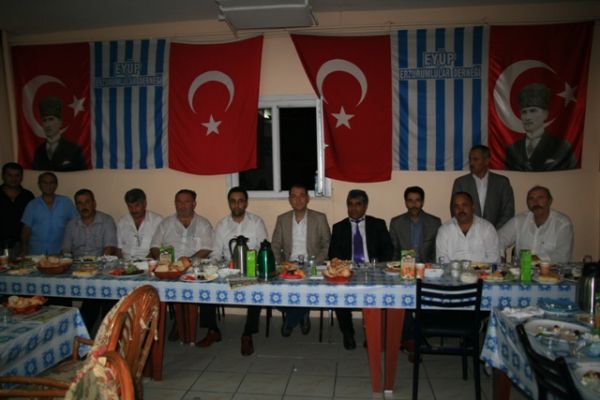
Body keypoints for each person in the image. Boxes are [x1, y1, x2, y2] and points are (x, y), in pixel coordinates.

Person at [198, 187, 268, 356]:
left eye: (240, 201)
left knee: (255, 288)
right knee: (206, 283)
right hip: (227, 270)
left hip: (250, 268)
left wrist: (252, 261)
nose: (237, 205)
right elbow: (216, 252)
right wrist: (214, 266)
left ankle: (248, 334)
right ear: (229, 203)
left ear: (246, 203)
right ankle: (212, 330)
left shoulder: (256, 222)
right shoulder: (222, 224)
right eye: (233, 201)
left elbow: (264, 246)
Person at [329, 189, 393, 350]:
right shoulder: (339, 227)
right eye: (350, 204)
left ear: (365, 206)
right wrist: (344, 266)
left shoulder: (378, 224)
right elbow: (333, 254)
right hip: (348, 272)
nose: (354, 208)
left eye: (358, 204)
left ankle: (371, 332)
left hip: (372, 271)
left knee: (376, 292)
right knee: (338, 292)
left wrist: (376, 265)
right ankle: (348, 333)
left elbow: (388, 250)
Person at [150, 189, 213, 343]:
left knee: (199, 282)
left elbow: (206, 249)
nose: (182, 205)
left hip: (194, 267)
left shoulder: (203, 223)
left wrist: (186, 263)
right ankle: (177, 322)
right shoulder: (166, 223)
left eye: (186, 202)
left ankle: (183, 324)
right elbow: (154, 246)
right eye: (179, 202)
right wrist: (166, 262)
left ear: (194, 204)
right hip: (169, 267)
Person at [272, 184, 331, 337]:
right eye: (294, 196)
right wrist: (281, 264)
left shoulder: (319, 218)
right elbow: (275, 245)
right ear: (289, 199)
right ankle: (302, 313)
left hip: (312, 265)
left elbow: (327, 244)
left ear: (308, 198)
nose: (298, 199)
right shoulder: (282, 219)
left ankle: (290, 320)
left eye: (301, 195)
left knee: (311, 290)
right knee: (272, 291)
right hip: (289, 265)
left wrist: (315, 262)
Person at [62, 189, 117, 332]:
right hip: (76, 269)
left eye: (87, 202)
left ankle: (98, 333)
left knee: (100, 292)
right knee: (58, 293)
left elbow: (109, 249)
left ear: (94, 203)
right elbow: (66, 251)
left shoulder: (106, 220)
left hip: (100, 269)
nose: (84, 206)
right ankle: (67, 331)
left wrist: (95, 269)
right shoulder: (71, 224)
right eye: (79, 203)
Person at [505, 83, 577, 171]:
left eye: (533, 111)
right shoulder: (512, 150)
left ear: (545, 114)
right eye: (524, 112)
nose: (527, 117)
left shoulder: (562, 147)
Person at [498, 186, 573, 263]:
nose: (535, 202)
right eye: (531, 199)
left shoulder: (562, 224)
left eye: (540, 198)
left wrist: (532, 259)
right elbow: (499, 239)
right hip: (521, 269)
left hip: (551, 269)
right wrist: (500, 257)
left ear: (550, 201)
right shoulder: (519, 221)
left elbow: (562, 256)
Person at [451, 145, 514, 229]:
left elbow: (508, 211)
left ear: (487, 161)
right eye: (470, 159)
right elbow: (455, 210)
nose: (471, 163)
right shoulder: (461, 183)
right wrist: (467, 230)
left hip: (496, 232)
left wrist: (494, 231)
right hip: (468, 232)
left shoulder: (502, 182)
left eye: (475, 159)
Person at [20, 172, 77, 256]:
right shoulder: (32, 205)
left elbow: (75, 224)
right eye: (44, 182)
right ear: (39, 185)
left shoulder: (66, 202)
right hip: (36, 253)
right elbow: (26, 229)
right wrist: (24, 249)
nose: (48, 185)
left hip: (59, 253)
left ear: (56, 185)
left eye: (51, 182)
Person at [436, 192, 500, 263]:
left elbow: (494, 258)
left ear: (473, 207)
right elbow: (441, 260)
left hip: (482, 269)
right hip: (453, 270)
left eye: (464, 205)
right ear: (453, 209)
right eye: (456, 206)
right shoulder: (444, 230)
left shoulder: (487, 228)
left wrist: (476, 268)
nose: (461, 210)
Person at [32, 96, 86, 172]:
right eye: (44, 120)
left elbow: (82, 174)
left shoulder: (74, 150)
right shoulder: (39, 151)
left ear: (60, 122)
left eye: (51, 119)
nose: (47, 125)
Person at [389, 186, 441, 262]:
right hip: (404, 266)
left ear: (422, 202)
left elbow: (437, 252)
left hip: (427, 266)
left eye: (417, 200)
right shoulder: (396, 223)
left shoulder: (434, 223)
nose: (414, 204)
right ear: (406, 203)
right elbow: (394, 252)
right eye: (410, 200)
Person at [116, 188, 162, 259]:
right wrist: (121, 264)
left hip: (147, 262)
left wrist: (142, 262)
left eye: (137, 205)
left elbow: (158, 249)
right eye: (130, 206)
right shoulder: (122, 221)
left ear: (145, 204)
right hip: (125, 262)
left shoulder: (157, 221)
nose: (134, 210)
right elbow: (119, 249)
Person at [0, 162, 34, 256]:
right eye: (10, 175)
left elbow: (32, 221)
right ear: (3, 176)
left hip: (21, 246)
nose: (13, 179)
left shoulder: (28, 196)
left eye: (17, 175)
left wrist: (24, 246)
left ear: (21, 177)